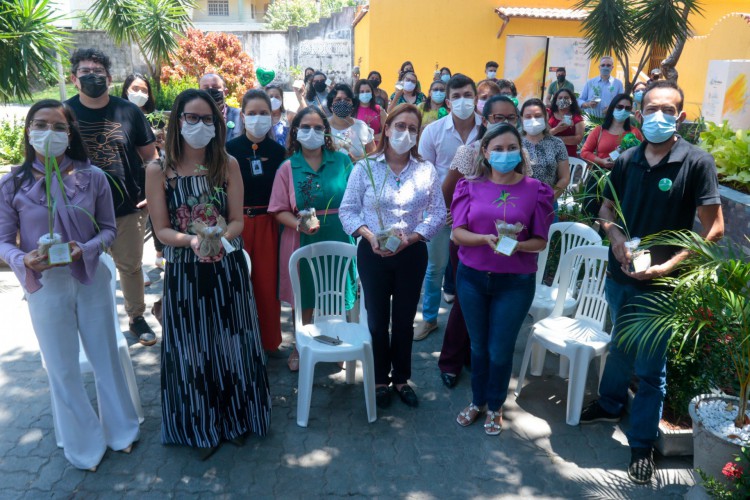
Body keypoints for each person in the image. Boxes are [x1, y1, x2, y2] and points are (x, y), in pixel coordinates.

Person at [579, 81, 724, 485]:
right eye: (651, 108)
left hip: (661, 286)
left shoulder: (697, 163)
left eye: (668, 109)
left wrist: (669, 267)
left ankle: (641, 445)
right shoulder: (626, 159)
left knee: (651, 367)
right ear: (640, 113)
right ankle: (609, 404)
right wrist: (618, 239)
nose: (659, 115)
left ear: (679, 116)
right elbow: (606, 210)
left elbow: (714, 230)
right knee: (620, 345)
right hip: (620, 274)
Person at [0, 99, 140, 471]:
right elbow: (2, 240)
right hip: (45, 285)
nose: (49, 133)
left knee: (105, 357)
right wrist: (22, 259)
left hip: (91, 276)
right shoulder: (12, 183)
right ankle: (82, 443)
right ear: (28, 131)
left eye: (59, 127)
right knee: (61, 368)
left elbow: (109, 229)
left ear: (70, 133)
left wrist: (87, 248)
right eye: (40, 125)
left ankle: (121, 431)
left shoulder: (92, 176)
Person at [145, 89, 271, 459]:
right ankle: (198, 424)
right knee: (191, 350)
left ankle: (236, 420)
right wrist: (193, 241)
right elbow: (162, 229)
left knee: (232, 344)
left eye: (207, 119)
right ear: (177, 121)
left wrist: (219, 238)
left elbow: (238, 221)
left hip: (226, 267)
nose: (199, 126)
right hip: (185, 272)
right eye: (191, 118)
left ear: (218, 124)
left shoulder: (227, 164)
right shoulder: (159, 170)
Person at [339, 104, 446, 409]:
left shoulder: (425, 170)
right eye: (400, 126)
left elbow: (438, 212)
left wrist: (412, 237)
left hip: (411, 254)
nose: (405, 133)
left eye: (412, 129)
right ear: (386, 129)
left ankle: (401, 378)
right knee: (376, 320)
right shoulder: (365, 167)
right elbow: (348, 210)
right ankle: (378, 379)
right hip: (373, 253)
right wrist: (370, 236)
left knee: (402, 320)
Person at [452, 123, 554, 436]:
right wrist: (485, 239)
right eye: (497, 148)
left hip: (515, 282)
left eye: (511, 148)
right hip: (472, 279)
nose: (505, 154)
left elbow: (541, 240)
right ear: (485, 152)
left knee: (500, 348)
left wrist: (518, 246)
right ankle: (477, 400)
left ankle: (495, 406)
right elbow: (457, 233)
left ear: (520, 152)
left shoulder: (537, 190)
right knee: (479, 347)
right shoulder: (469, 186)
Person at [65, 48, 159, 346]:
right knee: (84, 267)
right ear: (74, 78)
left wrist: (151, 194)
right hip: (80, 210)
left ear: (109, 77)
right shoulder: (64, 114)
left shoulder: (128, 111)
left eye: (99, 72)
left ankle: (136, 317)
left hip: (126, 207)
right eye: (85, 72)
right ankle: (90, 321)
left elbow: (151, 157)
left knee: (130, 266)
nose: (93, 77)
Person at [439, 95, 526, 388]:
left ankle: (478, 360)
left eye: (510, 118)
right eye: (497, 118)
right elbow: (448, 191)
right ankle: (451, 360)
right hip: (470, 240)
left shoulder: (522, 155)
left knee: (496, 305)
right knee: (466, 303)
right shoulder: (470, 152)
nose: (503, 123)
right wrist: (459, 219)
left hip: (509, 247)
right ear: (485, 120)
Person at [268, 106, 357, 372]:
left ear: (326, 132)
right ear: (295, 132)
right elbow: (278, 209)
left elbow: (355, 199)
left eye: (318, 127)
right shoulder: (288, 167)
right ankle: (301, 344)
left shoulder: (341, 161)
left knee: (336, 290)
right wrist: (298, 224)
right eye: (305, 127)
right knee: (306, 294)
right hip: (301, 239)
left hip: (338, 235)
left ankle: (335, 340)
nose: (312, 132)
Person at [416, 74, 482, 341]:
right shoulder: (433, 131)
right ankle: (429, 318)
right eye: (456, 96)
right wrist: (437, 208)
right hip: (442, 209)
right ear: (448, 100)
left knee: (473, 267)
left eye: (468, 95)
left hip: (480, 211)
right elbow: (422, 173)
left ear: (476, 98)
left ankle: (472, 322)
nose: (462, 101)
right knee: (436, 267)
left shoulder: (488, 129)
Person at [226, 89, 287, 353]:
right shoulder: (228, 150)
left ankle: (268, 342)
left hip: (269, 224)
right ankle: (237, 342)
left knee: (265, 285)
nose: (258, 118)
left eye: (264, 113)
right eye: (252, 113)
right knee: (236, 285)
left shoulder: (278, 151)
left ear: (273, 116)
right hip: (236, 223)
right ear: (242, 116)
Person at [121, 73, 167, 269]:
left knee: (159, 214)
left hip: (152, 171)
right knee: (135, 222)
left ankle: (160, 255)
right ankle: (136, 264)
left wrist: (161, 144)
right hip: (130, 174)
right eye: (135, 89)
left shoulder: (156, 118)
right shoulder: (119, 117)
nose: (140, 93)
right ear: (126, 90)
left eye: (144, 90)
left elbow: (163, 148)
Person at [520, 99, 570, 200]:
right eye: (528, 117)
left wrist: (549, 197)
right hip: (520, 202)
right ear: (521, 119)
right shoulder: (515, 143)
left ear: (546, 117)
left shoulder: (557, 144)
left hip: (548, 202)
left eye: (537, 116)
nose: (533, 120)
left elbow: (564, 178)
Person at [581, 94, 644, 169]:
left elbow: (643, 154)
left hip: (626, 175)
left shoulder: (634, 132)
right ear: (612, 108)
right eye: (619, 107)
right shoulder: (599, 130)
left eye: (627, 108)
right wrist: (601, 161)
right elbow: (584, 152)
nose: (623, 110)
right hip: (603, 175)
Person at [327, 83, 376, 161]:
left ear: (353, 106)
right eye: (338, 100)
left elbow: (373, 154)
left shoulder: (361, 127)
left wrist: (356, 159)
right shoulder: (322, 126)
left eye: (347, 100)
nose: (342, 103)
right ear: (331, 106)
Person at [199, 72, 244, 143]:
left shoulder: (240, 116)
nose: (210, 90)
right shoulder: (194, 118)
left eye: (215, 87)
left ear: (225, 92)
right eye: (206, 88)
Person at [548, 88, 585, 158]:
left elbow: (578, 139)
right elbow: (544, 135)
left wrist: (556, 139)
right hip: (550, 154)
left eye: (566, 97)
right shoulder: (549, 114)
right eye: (560, 98)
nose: (563, 100)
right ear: (556, 100)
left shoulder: (577, 118)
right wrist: (557, 129)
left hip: (568, 157)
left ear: (571, 100)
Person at [264, 83, 292, 148]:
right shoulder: (261, 118)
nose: (273, 99)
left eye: (277, 97)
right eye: (270, 97)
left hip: (285, 156)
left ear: (281, 99)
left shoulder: (289, 116)